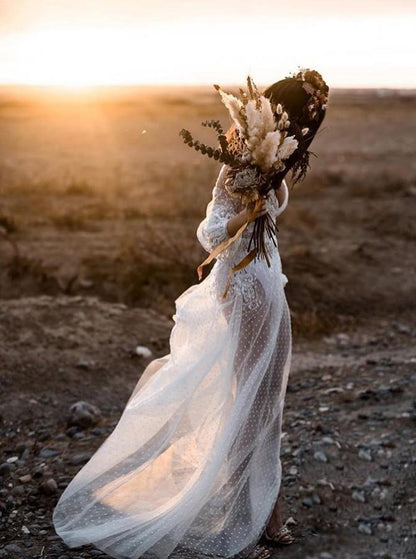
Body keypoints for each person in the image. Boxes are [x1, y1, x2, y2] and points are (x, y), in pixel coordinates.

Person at [52, 69, 328, 559]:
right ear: (283, 110)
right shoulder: (243, 157)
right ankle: (244, 523)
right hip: (243, 288)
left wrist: (267, 197)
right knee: (251, 403)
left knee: (267, 402)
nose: (309, 125)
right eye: (306, 115)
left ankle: (266, 513)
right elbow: (212, 229)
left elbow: (267, 222)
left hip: (268, 282)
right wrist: (250, 211)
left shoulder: (275, 156)